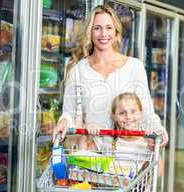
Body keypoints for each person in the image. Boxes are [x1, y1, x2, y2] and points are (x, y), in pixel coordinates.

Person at [52, 4, 168, 151]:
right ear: (90, 32)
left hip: (127, 154)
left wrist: (157, 128)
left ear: (116, 32)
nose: (103, 34)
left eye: (108, 28)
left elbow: (146, 112)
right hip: (92, 154)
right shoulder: (78, 70)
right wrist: (63, 122)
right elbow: (69, 113)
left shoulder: (134, 67)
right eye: (97, 28)